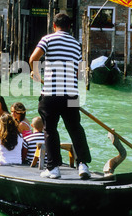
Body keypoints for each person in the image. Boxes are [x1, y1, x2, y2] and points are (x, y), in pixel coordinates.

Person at [29, 13, 92, 180]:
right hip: (71, 94)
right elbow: (78, 72)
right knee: (76, 129)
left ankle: (54, 168)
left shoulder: (47, 39)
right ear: (70, 27)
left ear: (54, 26)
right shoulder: (76, 44)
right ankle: (83, 165)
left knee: (50, 130)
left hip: (50, 94)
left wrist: (35, 74)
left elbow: (33, 58)